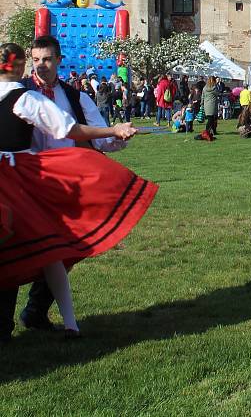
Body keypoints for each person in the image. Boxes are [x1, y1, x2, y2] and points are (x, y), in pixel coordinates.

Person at [0, 42, 157, 340]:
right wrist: (112, 131)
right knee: (21, 249)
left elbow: (86, 134)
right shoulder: (25, 97)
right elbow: (68, 129)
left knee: (57, 251)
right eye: (35, 60)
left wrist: (116, 134)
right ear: (23, 64)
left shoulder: (73, 97)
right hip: (25, 185)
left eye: (47, 59)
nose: (41, 65)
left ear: (59, 60)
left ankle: (39, 311)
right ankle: (10, 324)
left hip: (61, 182)